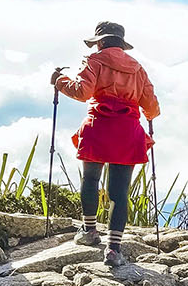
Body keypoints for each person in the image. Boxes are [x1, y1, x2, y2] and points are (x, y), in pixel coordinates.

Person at [51, 20, 160, 265]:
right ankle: (113, 249)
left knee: (90, 179)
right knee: (119, 192)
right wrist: (151, 116)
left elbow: (81, 92)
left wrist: (59, 81)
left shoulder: (94, 61)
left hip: (98, 126)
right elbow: (150, 105)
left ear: (99, 42)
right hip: (127, 131)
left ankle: (89, 231)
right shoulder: (138, 69)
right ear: (122, 44)